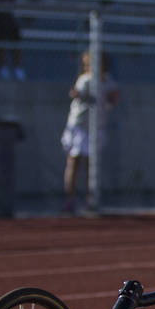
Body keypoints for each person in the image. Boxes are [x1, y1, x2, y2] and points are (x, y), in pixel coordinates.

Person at [61, 51, 119, 214]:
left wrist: (109, 100)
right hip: (80, 125)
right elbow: (77, 93)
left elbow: (114, 97)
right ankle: (70, 199)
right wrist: (81, 95)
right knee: (74, 161)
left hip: (95, 127)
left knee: (90, 165)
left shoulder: (107, 81)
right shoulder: (85, 80)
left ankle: (90, 199)